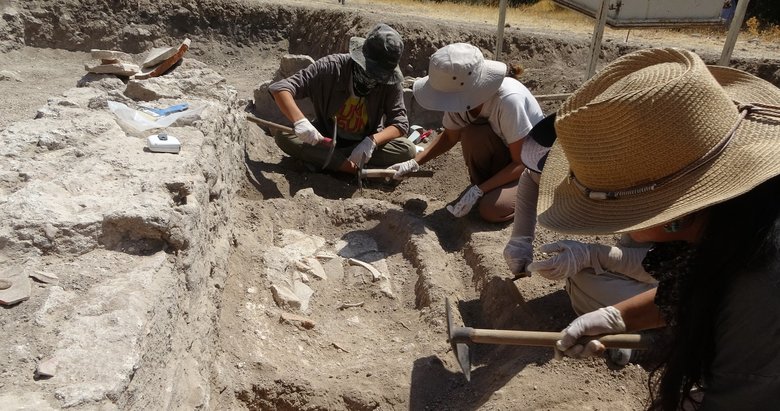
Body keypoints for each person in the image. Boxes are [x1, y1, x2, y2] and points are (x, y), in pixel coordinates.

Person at [532, 47, 780, 409]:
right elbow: (698, 284)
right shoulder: (743, 220)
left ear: (669, 214)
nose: (615, 226)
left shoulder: (762, 291)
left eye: (618, 214)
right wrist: (618, 317)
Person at [388, 43, 545, 222]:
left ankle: (533, 194)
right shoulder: (459, 98)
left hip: (531, 167)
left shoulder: (508, 101)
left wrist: (480, 190)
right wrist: (414, 162)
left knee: (491, 210)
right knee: (472, 133)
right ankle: (487, 188)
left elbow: (522, 162)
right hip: (506, 156)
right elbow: (449, 136)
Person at [269, 23, 416, 174]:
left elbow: (400, 123)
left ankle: (326, 162)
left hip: (362, 145)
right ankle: (347, 167)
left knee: (407, 150)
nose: (374, 78)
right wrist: (300, 121)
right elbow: (280, 88)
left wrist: (371, 142)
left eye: (379, 76)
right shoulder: (331, 67)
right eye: (370, 71)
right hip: (325, 140)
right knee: (283, 135)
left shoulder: (389, 81)